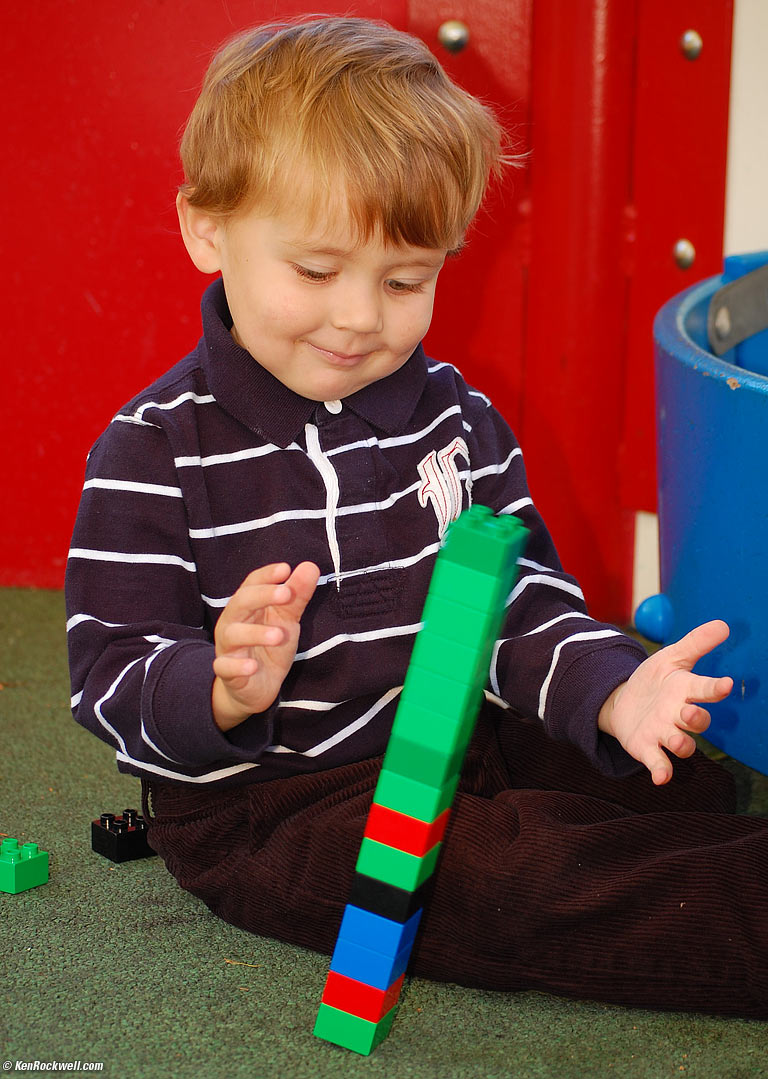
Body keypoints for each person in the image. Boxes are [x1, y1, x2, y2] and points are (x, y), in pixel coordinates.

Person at [66, 16, 768, 1019]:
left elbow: (521, 607)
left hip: (450, 721)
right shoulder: (151, 450)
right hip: (275, 801)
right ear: (206, 227)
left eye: (406, 280)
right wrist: (217, 687)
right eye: (316, 271)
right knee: (523, 879)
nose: (361, 317)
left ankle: (643, 778)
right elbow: (108, 673)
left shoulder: (456, 419)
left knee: (662, 756)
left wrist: (614, 693)